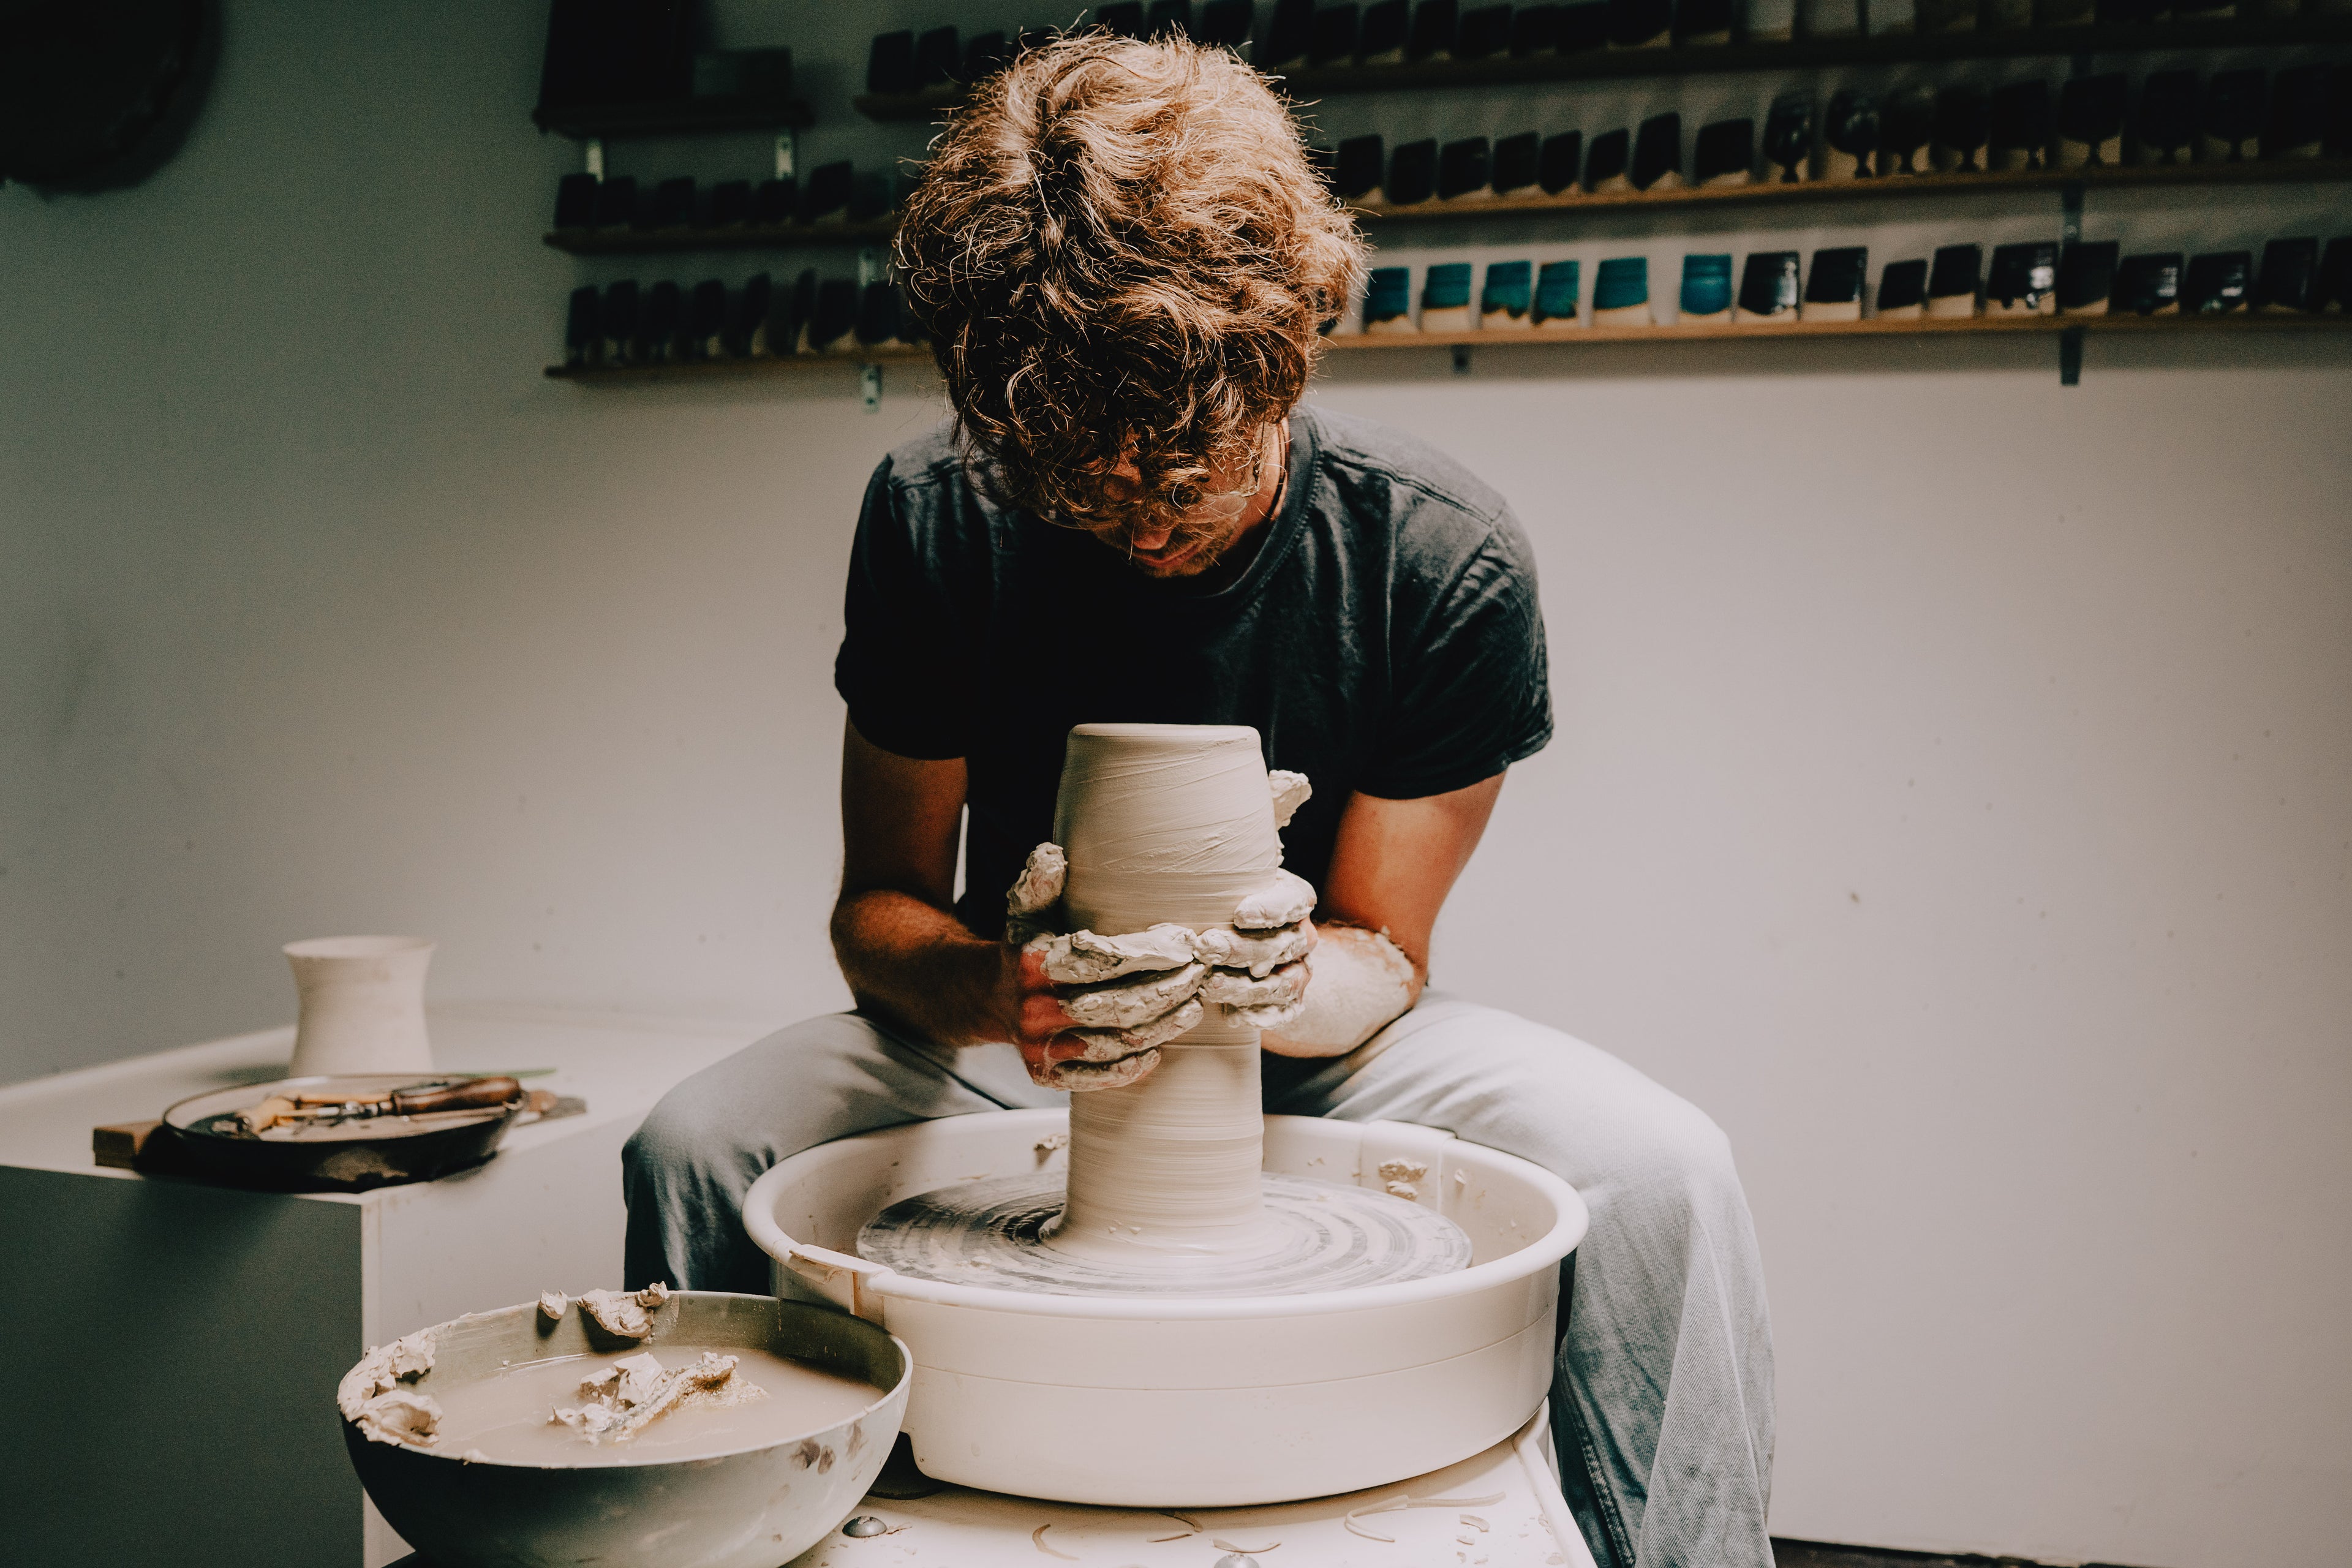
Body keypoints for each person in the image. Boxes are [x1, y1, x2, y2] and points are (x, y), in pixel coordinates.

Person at [623, 32, 1773, 1568]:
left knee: (1663, 1167)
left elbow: (1387, 949)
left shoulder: (1438, 557)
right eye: (1091, 493)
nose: (1149, 522)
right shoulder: (938, 516)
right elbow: (876, 917)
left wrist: (1274, 978)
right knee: (693, 1142)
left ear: (1290, 341)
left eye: (1193, 472)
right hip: (1010, 1044)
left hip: (1320, 1042)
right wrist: (997, 986)